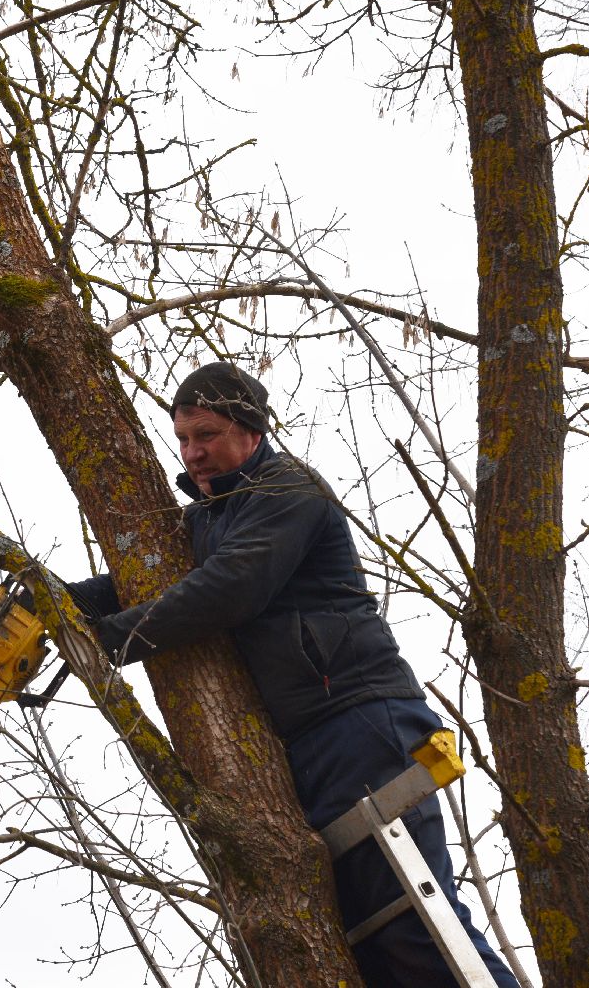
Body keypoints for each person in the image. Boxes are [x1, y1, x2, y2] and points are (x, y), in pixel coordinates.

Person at [65, 361, 520, 988]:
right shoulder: (212, 517)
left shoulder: (287, 492)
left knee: (417, 926)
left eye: (207, 435)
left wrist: (105, 644)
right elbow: (130, 585)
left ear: (250, 430)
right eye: (183, 439)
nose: (192, 453)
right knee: (366, 952)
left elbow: (229, 589)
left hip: (359, 720)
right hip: (304, 744)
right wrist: (48, 604)